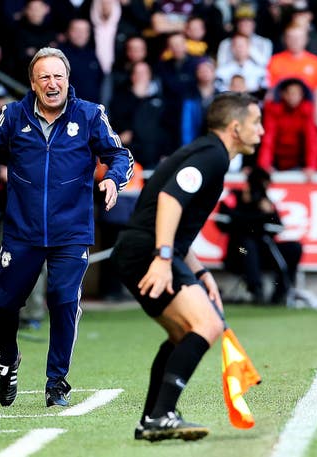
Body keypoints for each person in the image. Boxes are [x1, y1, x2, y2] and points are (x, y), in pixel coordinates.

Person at [0, 47, 133, 408]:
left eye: (58, 76)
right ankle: (7, 360)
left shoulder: (91, 115)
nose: (52, 83)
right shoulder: (13, 115)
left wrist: (112, 180)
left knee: (63, 301)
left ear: (68, 80)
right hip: (22, 231)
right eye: (44, 77)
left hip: (71, 231)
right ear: (33, 83)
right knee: (4, 303)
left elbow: (120, 155)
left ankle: (56, 383)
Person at [110, 92, 264, 441]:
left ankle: (151, 417)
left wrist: (200, 272)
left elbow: (176, 222)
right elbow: (169, 199)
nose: (262, 131)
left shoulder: (209, 154)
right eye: (256, 123)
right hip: (147, 252)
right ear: (236, 128)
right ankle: (162, 414)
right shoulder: (212, 156)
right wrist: (164, 259)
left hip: (144, 250)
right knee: (208, 324)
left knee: (184, 333)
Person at [217, 166, 303, 304]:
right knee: (248, 245)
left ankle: (280, 293)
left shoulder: (265, 202)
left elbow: (278, 227)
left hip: (262, 252)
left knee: (294, 247)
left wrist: (270, 213)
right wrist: (256, 216)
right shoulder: (234, 197)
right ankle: (256, 291)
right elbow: (222, 222)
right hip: (238, 252)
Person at [257, 78, 317, 179]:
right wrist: (264, 165)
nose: (292, 97)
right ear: (282, 94)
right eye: (289, 93)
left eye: (296, 94)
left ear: (302, 95)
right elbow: (268, 139)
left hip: (298, 163)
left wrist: (311, 166)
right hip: (276, 162)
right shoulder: (273, 110)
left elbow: (312, 140)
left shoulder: (307, 111)